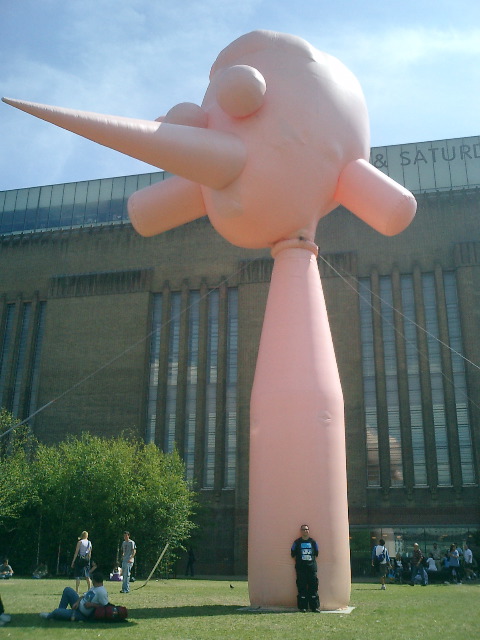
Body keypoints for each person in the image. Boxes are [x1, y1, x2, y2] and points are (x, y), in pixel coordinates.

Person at [39, 569, 108, 622]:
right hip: (78, 606)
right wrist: (77, 602)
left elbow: (105, 607)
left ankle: (50, 615)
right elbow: (83, 596)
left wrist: (92, 605)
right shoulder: (94, 587)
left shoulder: (102, 592)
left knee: (56, 612)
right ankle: (61, 612)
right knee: (67, 590)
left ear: (94, 580)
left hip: (82, 614)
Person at [290, 524, 320, 612]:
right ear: (301, 531)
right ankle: (303, 607)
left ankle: (314, 607)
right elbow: (292, 553)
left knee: (313, 587)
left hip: (312, 569)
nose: (305, 531)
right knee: (301, 587)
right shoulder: (297, 542)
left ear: (308, 531)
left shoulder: (313, 542)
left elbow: (316, 553)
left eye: (306, 529)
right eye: (303, 529)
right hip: (301, 569)